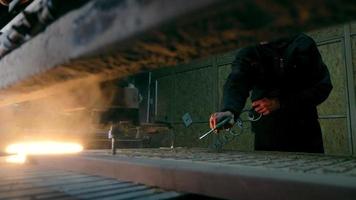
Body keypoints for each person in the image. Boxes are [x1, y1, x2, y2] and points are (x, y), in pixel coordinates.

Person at [210, 33, 332, 153]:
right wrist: (229, 110)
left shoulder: (302, 44)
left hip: (304, 130)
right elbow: (236, 82)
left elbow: (322, 86)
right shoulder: (250, 51)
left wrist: (281, 103)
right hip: (267, 134)